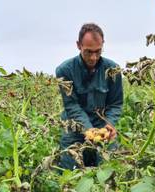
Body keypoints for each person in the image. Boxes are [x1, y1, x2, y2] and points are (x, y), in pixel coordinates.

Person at [55, 23, 123, 170]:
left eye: (98, 51)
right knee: (68, 172)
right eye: (88, 52)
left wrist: (109, 125)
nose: (93, 57)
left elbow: (116, 103)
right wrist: (88, 129)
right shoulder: (64, 70)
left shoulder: (113, 70)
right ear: (79, 45)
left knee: (110, 170)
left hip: (102, 127)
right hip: (74, 128)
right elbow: (71, 105)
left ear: (103, 45)